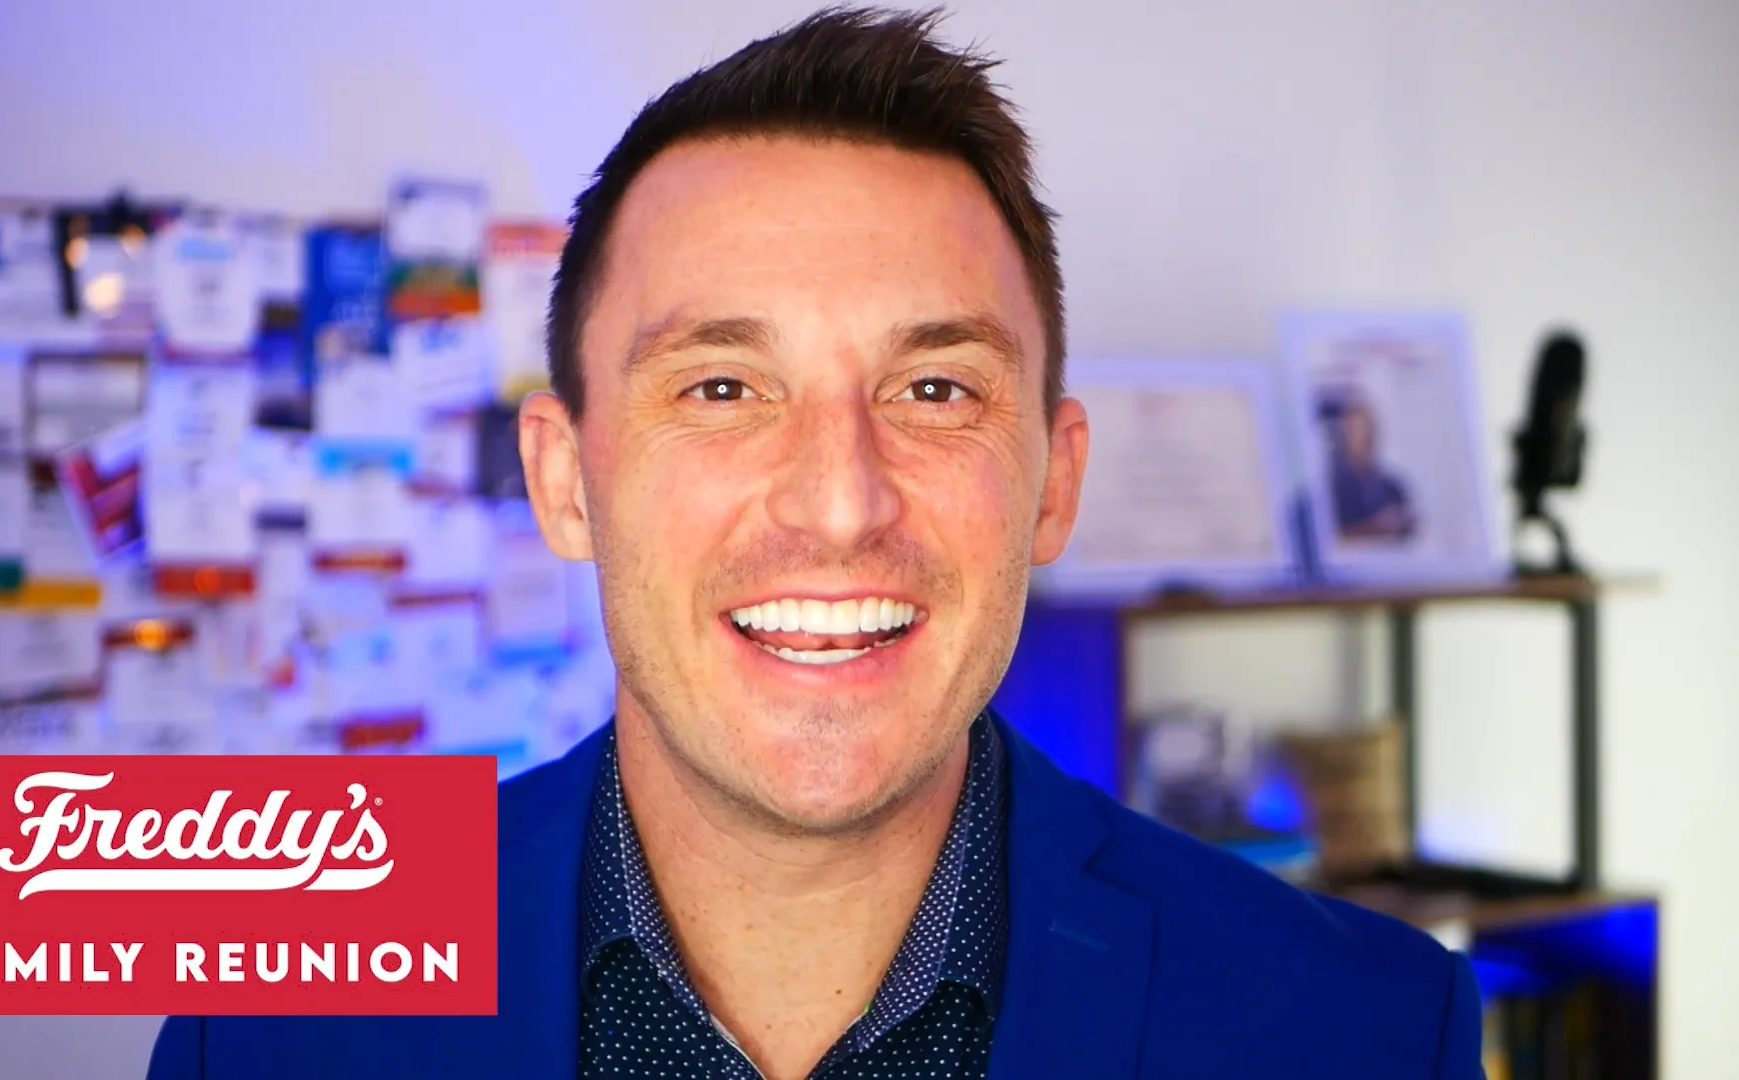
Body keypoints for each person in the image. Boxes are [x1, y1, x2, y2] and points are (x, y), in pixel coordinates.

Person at [149, 8, 1483, 1078]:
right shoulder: (264, 1014)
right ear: (563, 481)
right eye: (724, 388)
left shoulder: (1359, 1030)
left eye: (935, 390)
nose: (840, 504)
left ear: (1053, 483)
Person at [1327, 393, 1419, 542]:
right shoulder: (1333, 489)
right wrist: (1375, 528)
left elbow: (1410, 531)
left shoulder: (1392, 487)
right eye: (1356, 432)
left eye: (1369, 430)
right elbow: (1332, 539)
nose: (1364, 439)